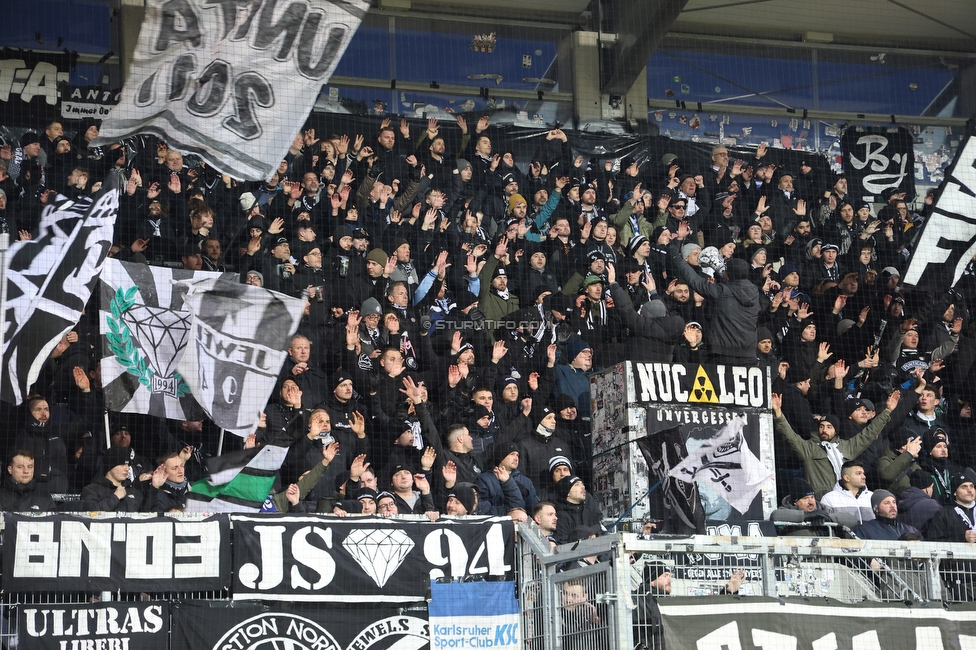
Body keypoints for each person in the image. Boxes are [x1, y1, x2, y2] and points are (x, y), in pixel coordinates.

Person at [771, 391, 899, 497]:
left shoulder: (846, 447)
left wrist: (887, 411)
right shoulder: (809, 448)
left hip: (848, 497)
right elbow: (789, 436)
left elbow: (869, 434)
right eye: (821, 426)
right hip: (822, 499)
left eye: (829, 427)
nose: (824, 430)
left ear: (836, 430)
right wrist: (778, 413)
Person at [79, 447, 142, 512]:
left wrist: (153, 488)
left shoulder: (133, 491)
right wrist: (115, 497)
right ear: (110, 466)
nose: (127, 468)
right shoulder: (92, 490)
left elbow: (147, 514)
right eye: (122, 464)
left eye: (128, 465)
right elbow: (90, 514)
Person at [853, 489, 920, 539]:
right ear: (876, 509)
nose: (892, 506)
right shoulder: (864, 530)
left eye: (894, 502)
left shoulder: (911, 530)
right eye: (887, 503)